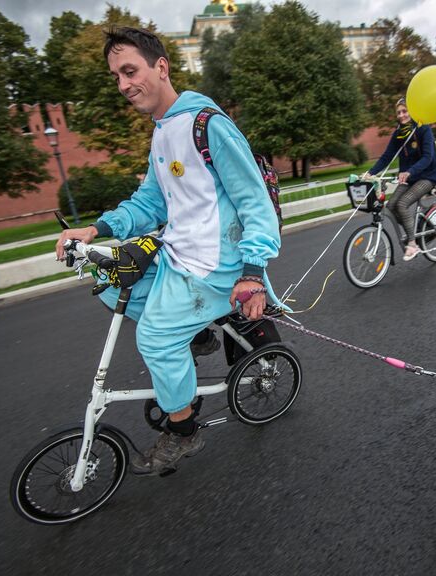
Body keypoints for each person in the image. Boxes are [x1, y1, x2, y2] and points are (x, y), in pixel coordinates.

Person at [55, 27, 282, 476]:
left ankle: (184, 431)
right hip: (179, 254)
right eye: (116, 76)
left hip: (218, 265)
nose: (122, 84)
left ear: (161, 67)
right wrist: (94, 228)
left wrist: (252, 272)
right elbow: (149, 204)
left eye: (129, 70)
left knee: (155, 337)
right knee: (108, 281)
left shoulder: (208, 125)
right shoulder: (163, 133)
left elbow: (256, 203)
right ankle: (197, 336)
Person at [363, 98, 436, 261]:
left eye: (405, 111)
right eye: (399, 112)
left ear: (412, 111)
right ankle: (416, 232)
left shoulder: (423, 128)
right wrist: (370, 173)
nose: (402, 115)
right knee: (391, 206)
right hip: (410, 177)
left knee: (403, 204)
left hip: (427, 176)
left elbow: (428, 157)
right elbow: (387, 156)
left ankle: (412, 244)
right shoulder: (399, 132)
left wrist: (409, 171)